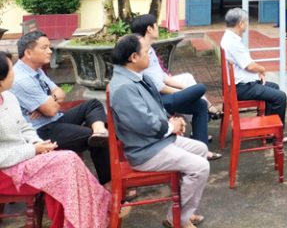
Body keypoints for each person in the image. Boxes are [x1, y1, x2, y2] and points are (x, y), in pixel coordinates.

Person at [0, 51, 110, 228]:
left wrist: (37, 143)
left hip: (25, 156)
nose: (15, 72)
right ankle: (88, 217)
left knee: (67, 167)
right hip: (7, 171)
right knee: (67, 161)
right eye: (11, 69)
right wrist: (33, 150)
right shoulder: (18, 85)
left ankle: (87, 217)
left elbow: (25, 126)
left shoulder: (8, 97)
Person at [110, 34, 209, 228]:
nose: (150, 56)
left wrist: (172, 121)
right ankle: (178, 220)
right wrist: (171, 127)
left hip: (156, 141)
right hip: (145, 151)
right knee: (200, 167)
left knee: (201, 149)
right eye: (146, 52)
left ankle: (180, 213)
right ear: (133, 57)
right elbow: (144, 123)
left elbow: (156, 108)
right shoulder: (123, 87)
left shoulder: (137, 77)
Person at [11, 31, 111, 185]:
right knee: (93, 138)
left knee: (93, 104)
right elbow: (51, 110)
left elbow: (60, 93)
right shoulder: (21, 79)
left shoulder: (35, 69)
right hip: (42, 130)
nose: (50, 51)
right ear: (28, 53)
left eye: (49, 47)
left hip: (53, 119)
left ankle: (99, 132)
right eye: (44, 48)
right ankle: (109, 183)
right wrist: (48, 104)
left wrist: (47, 103)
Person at [130, 14, 222, 161]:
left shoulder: (150, 49)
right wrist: (184, 91)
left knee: (200, 104)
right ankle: (209, 108)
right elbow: (159, 87)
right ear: (149, 29)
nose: (158, 28)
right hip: (157, 100)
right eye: (156, 25)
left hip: (163, 94)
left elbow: (163, 77)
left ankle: (202, 150)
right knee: (199, 89)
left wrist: (184, 88)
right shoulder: (141, 51)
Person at [220, 8, 287, 140]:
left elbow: (247, 64)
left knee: (274, 87)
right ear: (241, 23)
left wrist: (257, 73)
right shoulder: (233, 43)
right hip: (241, 88)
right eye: (246, 22)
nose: (247, 25)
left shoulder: (228, 38)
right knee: (280, 97)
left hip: (239, 85)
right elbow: (250, 66)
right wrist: (262, 69)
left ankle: (268, 129)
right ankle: (276, 135)